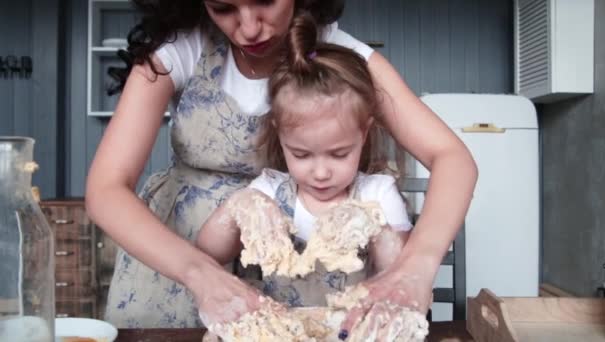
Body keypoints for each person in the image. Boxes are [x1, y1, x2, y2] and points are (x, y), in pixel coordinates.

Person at [85, 0, 477, 334]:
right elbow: (106, 189)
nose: (249, 27)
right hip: (177, 261)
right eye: (223, 8)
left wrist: (417, 265)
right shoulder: (181, 51)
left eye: (265, 1)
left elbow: (452, 159)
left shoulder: (341, 58)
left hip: (296, 285)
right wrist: (200, 272)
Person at [196, 12, 412, 310]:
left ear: (364, 133)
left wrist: (377, 232)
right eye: (301, 154)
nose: (321, 173)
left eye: (339, 154)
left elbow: (400, 271)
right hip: (279, 328)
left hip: (351, 328)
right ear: (280, 136)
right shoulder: (269, 191)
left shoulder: (377, 194)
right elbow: (209, 251)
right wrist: (239, 207)